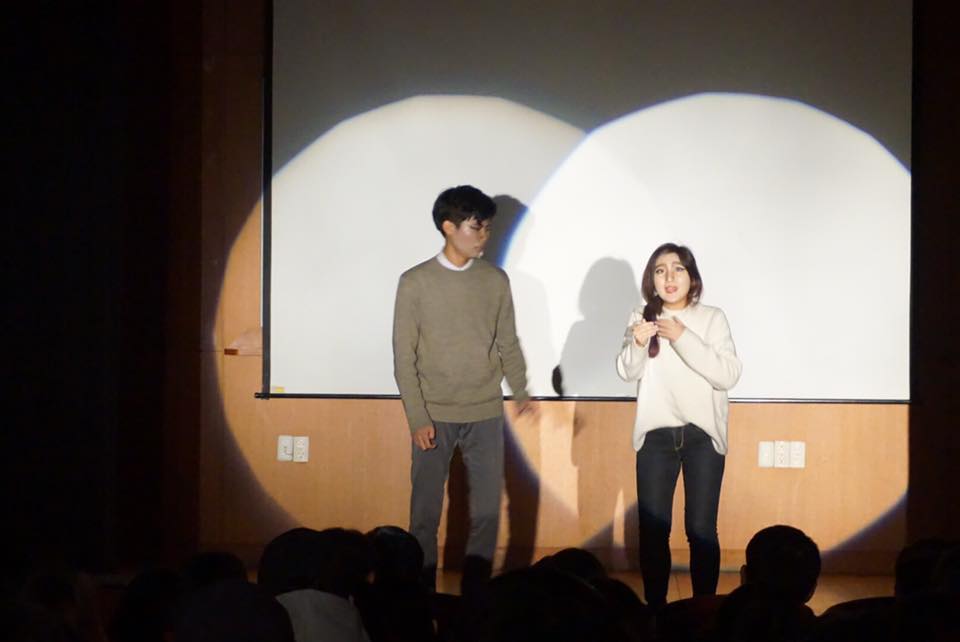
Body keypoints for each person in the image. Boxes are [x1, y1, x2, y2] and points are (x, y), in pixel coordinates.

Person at [392, 185, 533, 594]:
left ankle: (476, 597)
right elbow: (403, 357)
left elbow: (508, 342)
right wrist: (417, 418)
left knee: (487, 512)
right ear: (448, 227)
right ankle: (420, 596)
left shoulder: (495, 280)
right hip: (433, 414)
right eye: (476, 227)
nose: (484, 236)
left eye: (487, 227)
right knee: (424, 515)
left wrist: (521, 391)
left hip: (485, 411)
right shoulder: (415, 282)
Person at [616, 242, 741, 607]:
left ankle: (704, 609)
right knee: (653, 531)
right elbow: (627, 372)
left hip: (703, 437)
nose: (669, 277)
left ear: (692, 277)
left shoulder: (712, 318)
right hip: (656, 437)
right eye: (660, 270)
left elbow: (727, 375)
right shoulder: (641, 316)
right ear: (651, 280)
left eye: (678, 269)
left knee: (701, 529)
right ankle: (655, 612)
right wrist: (638, 344)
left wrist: (682, 337)